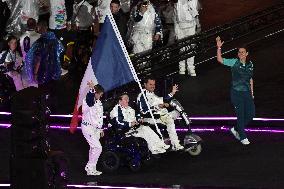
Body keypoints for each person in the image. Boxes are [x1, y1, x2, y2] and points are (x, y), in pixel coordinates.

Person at [216, 36, 255, 145]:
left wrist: (252, 93)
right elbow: (220, 59)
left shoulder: (250, 64)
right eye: (239, 52)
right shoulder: (233, 62)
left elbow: (250, 79)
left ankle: (236, 128)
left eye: (243, 52)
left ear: (247, 53)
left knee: (251, 114)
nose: (241, 54)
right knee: (240, 115)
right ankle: (242, 137)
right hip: (236, 93)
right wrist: (219, 48)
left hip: (247, 93)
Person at [137, 77, 184, 151]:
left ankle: (167, 137)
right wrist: (157, 107)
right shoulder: (142, 96)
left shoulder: (152, 94)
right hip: (149, 117)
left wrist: (172, 92)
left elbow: (163, 100)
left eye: (154, 84)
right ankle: (176, 144)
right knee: (169, 120)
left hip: (159, 115)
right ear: (145, 85)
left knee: (177, 113)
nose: (153, 86)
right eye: (150, 84)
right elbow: (143, 111)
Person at [81, 81, 104, 175]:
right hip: (88, 127)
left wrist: (100, 128)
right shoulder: (87, 100)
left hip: (95, 128)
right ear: (96, 93)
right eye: (100, 94)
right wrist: (92, 89)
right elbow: (90, 102)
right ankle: (90, 167)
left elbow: (99, 116)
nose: (101, 96)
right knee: (98, 147)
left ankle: (91, 169)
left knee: (93, 148)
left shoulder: (99, 102)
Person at [173, 0, 198, 76]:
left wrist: (189, 3)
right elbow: (175, 17)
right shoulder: (177, 2)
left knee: (191, 47)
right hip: (180, 27)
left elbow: (195, 14)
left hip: (191, 26)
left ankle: (191, 68)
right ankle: (182, 68)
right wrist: (176, 30)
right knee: (182, 48)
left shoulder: (193, 1)